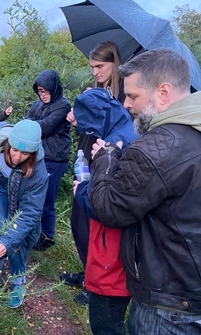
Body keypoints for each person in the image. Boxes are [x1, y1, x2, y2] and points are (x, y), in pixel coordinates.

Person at [90, 48, 201, 334]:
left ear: (163, 93)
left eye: (134, 96)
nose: (126, 104)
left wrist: (105, 158)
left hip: (168, 304)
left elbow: (110, 208)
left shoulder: (156, 149)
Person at [63, 40, 124, 305]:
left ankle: (95, 284)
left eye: (100, 66)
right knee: (78, 221)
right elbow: (90, 130)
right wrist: (79, 120)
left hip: (105, 164)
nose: (96, 72)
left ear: (115, 63)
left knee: (94, 224)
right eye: (92, 67)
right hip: (85, 158)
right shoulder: (97, 91)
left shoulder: (123, 97)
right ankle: (87, 272)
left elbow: (116, 134)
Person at [73, 88, 137, 335]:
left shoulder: (117, 145)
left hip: (111, 252)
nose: (91, 133)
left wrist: (82, 191)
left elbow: (108, 206)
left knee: (105, 324)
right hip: (118, 249)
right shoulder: (125, 131)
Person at [0, 120, 48, 309]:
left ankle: (17, 281)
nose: (17, 156)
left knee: (15, 239)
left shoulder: (39, 173)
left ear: (33, 153)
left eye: (25, 153)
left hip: (22, 198)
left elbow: (30, 213)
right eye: (14, 150)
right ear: (8, 143)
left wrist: (8, 240)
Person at [25, 70, 71, 251]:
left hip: (55, 159)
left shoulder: (63, 106)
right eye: (40, 91)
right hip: (39, 157)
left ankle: (47, 236)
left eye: (45, 91)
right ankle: (36, 233)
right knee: (34, 197)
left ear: (54, 88)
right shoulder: (38, 104)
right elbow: (27, 120)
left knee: (47, 199)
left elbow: (44, 127)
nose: (42, 94)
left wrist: (29, 127)